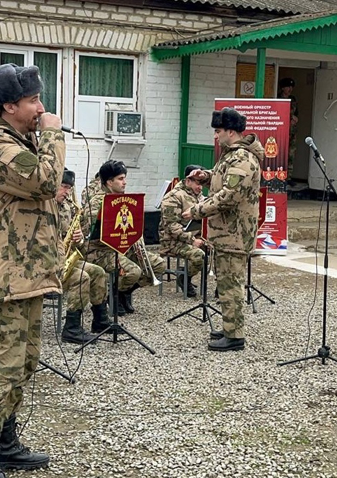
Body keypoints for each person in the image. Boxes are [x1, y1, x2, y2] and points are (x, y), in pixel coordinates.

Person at [0, 63, 64, 476]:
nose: (41, 108)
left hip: (29, 268)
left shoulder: (17, 137)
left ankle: (6, 440)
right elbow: (44, 181)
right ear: (8, 105)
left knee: (25, 360)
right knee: (3, 363)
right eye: (33, 101)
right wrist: (54, 134)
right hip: (6, 270)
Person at [183, 107, 262, 352]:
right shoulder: (230, 156)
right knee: (226, 282)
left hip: (235, 233)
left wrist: (197, 210)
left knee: (231, 284)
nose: (215, 136)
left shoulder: (243, 159)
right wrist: (206, 176)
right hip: (226, 232)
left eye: (218, 131)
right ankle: (230, 327)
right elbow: (223, 180)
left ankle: (235, 336)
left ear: (231, 131)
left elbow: (230, 195)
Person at [83, 160, 165, 315]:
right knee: (133, 272)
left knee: (158, 265)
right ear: (109, 182)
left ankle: (123, 291)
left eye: (124, 178)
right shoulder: (96, 202)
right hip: (101, 249)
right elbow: (92, 232)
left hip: (122, 246)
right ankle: (111, 295)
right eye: (120, 179)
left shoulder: (123, 199)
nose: (125, 182)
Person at [56, 168, 112, 342]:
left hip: (65, 257)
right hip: (47, 263)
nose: (67, 192)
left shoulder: (67, 207)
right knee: (82, 277)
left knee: (98, 272)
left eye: (69, 188)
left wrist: (79, 238)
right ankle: (71, 329)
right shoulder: (42, 208)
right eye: (63, 187)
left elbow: (78, 240)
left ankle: (100, 321)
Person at [159, 165, 206, 298]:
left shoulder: (200, 197)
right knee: (199, 255)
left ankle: (221, 289)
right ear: (188, 181)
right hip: (172, 241)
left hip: (194, 237)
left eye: (202, 183)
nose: (200, 187)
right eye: (197, 182)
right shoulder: (173, 197)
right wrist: (192, 240)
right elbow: (171, 226)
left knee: (220, 250)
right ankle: (184, 276)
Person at [278, 78, 298, 181]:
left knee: (290, 154)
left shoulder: (293, 100)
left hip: (292, 132)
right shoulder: (278, 99)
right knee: (280, 153)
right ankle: (280, 177)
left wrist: (295, 119)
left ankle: (288, 177)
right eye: (288, 87)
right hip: (281, 132)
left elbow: (296, 113)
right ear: (282, 88)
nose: (290, 89)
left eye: (291, 87)